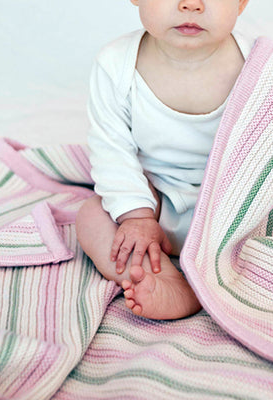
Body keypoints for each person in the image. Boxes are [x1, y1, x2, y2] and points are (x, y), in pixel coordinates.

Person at [76, 0, 251, 320]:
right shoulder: (115, 64)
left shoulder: (259, 67)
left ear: (241, 2)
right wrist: (137, 217)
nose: (190, 5)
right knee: (90, 216)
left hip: (233, 210)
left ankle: (219, 275)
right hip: (158, 208)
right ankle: (156, 275)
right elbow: (111, 148)